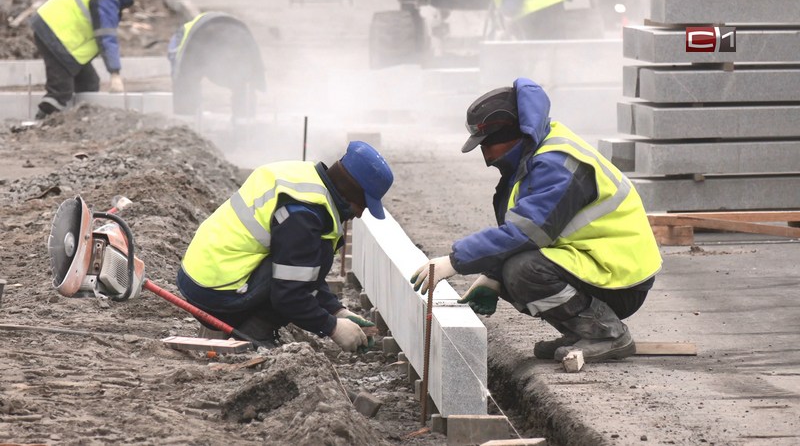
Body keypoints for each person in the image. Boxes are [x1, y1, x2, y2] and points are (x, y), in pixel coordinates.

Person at [410, 77, 661, 362]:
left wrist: (455, 261)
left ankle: (606, 333)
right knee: (509, 269)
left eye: (487, 145)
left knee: (522, 271)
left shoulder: (556, 164)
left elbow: (526, 232)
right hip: (594, 265)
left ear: (510, 136)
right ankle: (582, 332)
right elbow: (522, 231)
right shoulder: (532, 156)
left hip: (620, 278)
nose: (486, 156)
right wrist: (492, 276)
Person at [177, 141, 394, 352]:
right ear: (350, 192)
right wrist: (332, 327)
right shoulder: (304, 216)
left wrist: (336, 310)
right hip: (217, 293)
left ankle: (246, 325)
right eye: (362, 205)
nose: (359, 214)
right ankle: (254, 334)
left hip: (206, 274)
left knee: (305, 260)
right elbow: (290, 296)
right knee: (314, 258)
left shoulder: (304, 179)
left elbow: (301, 270)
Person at [30, 0, 134, 119]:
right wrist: (115, 73)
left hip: (59, 32)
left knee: (89, 83)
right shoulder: (107, 0)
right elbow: (106, 37)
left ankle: (79, 121)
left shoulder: (111, 0)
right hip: (55, 33)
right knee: (60, 90)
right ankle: (41, 122)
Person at [166, 12, 266, 120]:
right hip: (240, 32)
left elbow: (180, 76)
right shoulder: (183, 35)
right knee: (243, 82)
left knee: (185, 81)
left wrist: (185, 112)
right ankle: (244, 126)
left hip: (205, 33)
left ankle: (186, 125)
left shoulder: (178, 43)